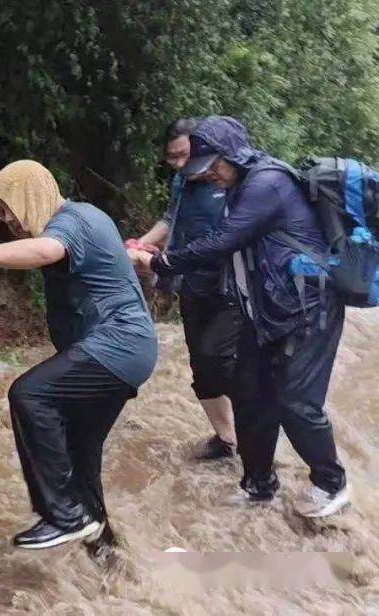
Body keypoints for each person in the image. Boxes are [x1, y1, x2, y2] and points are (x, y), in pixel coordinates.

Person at [132, 115, 351, 517]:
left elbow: (223, 241)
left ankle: (330, 484)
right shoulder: (239, 184)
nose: (209, 176)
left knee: (296, 401)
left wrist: (161, 263)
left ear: (234, 155)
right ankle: (257, 485)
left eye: (214, 166)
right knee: (250, 395)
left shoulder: (267, 184)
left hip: (310, 309)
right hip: (267, 309)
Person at [0, 160, 157, 549]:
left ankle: (62, 516)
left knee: (29, 394)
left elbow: (47, 249)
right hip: (127, 351)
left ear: (28, 196)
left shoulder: (72, 219)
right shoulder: (81, 218)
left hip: (118, 345)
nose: (3, 219)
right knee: (80, 448)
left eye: (5, 206)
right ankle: (103, 547)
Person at [128, 118, 240, 461]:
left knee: (221, 359)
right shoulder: (182, 181)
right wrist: (135, 245)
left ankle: (257, 434)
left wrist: (163, 261)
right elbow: (170, 219)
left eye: (184, 156)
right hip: (191, 283)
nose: (179, 165)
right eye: (172, 158)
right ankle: (227, 440)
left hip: (232, 289)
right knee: (201, 368)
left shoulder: (235, 182)